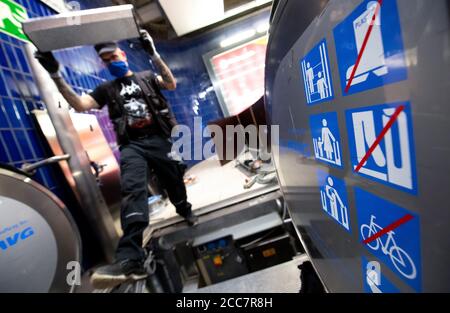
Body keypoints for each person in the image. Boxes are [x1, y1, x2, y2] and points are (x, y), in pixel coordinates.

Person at [35, 29, 198, 288]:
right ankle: (129, 259)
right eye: (107, 60)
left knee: (174, 181)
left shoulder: (146, 76)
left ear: (122, 54)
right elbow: (79, 105)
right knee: (133, 191)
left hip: (160, 138)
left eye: (114, 56)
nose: (112, 62)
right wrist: (55, 74)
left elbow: (170, 83)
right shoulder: (106, 89)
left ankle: (183, 208)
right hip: (132, 145)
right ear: (103, 63)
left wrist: (154, 54)